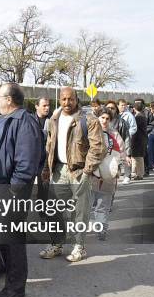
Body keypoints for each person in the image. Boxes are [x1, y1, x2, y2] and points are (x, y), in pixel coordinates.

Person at [0, 83, 42, 297]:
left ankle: (16, 286)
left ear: (9, 99)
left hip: (11, 191)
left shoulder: (25, 122)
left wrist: (14, 191)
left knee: (13, 238)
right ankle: (1, 266)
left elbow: (26, 163)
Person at [40, 87, 106, 262]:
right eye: (63, 99)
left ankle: (79, 246)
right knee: (54, 209)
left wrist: (87, 171)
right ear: (59, 100)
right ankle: (57, 244)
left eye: (70, 99)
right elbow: (50, 144)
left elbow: (98, 147)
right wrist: (47, 168)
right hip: (58, 170)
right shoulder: (54, 118)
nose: (67, 103)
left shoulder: (88, 120)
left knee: (80, 211)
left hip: (80, 171)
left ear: (77, 100)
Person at [91, 107, 126, 240]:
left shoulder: (114, 134)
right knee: (87, 203)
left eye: (107, 119)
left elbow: (121, 151)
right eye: (102, 118)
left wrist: (120, 164)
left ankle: (101, 229)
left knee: (103, 204)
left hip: (108, 174)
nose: (104, 121)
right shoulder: (90, 132)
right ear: (98, 118)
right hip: (92, 173)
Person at [117, 99, 137, 184]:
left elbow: (134, 127)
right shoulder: (115, 115)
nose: (123, 107)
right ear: (118, 106)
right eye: (121, 105)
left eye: (125, 105)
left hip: (125, 139)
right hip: (116, 139)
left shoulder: (129, 115)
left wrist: (127, 134)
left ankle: (127, 176)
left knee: (126, 157)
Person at [131, 101, 149, 180]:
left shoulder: (138, 117)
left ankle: (140, 174)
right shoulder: (142, 115)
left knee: (138, 157)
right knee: (136, 157)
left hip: (138, 139)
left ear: (134, 109)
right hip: (141, 138)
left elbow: (135, 129)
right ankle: (136, 173)